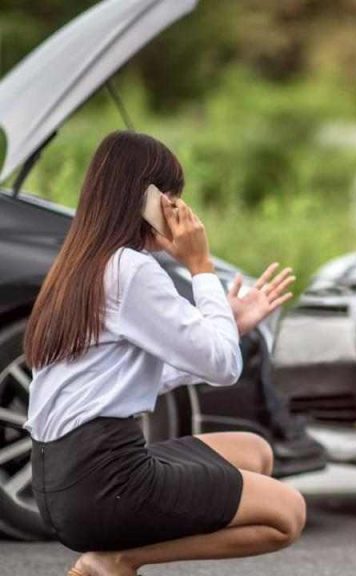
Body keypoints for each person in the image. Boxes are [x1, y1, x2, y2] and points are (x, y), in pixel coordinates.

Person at [24, 131, 304, 576]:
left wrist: (225, 325)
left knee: (255, 452)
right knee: (287, 513)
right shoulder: (131, 270)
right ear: (145, 199)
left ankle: (112, 556)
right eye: (171, 196)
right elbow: (224, 367)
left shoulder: (82, 264)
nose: (179, 210)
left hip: (63, 479)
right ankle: (118, 559)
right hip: (103, 479)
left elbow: (132, 377)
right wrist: (201, 268)